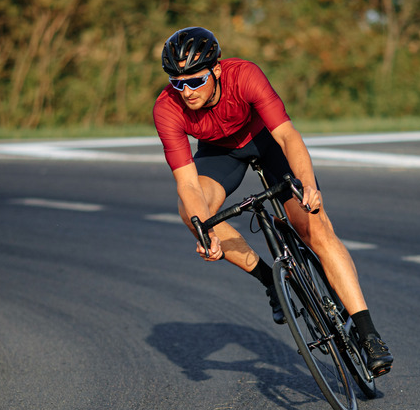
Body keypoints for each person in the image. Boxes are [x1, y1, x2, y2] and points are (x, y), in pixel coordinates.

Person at [152, 27, 393, 377]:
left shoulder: (244, 75)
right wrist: (206, 233)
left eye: (195, 81)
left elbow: (287, 135)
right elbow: (187, 183)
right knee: (191, 214)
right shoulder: (166, 108)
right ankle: (271, 282)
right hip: (220, 154)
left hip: (267, 142)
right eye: (177, 82)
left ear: (216, 71)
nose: (186, 91)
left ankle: (369, 334)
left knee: (316, 227)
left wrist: (307, 185)